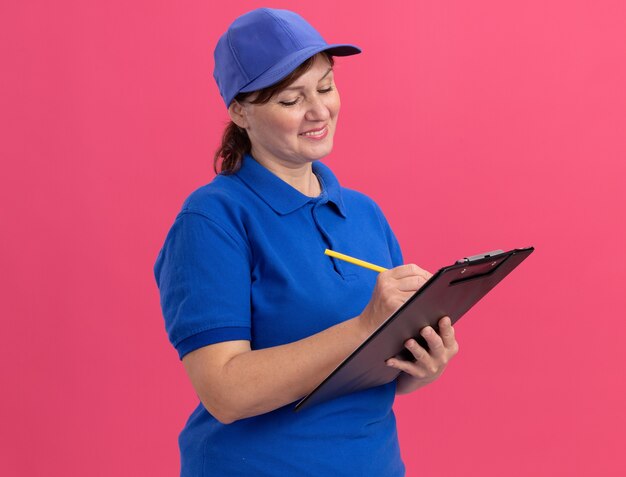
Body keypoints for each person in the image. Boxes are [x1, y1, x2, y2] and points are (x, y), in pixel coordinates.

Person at [153, 8, 459, 477]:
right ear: (240, 111)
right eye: (292, 99)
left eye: (326, 87)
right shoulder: (212, 220)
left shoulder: (363, 213)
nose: (319, 112)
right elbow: (224, 393)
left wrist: (423, 362)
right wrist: (362, 328)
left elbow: (379, 375)